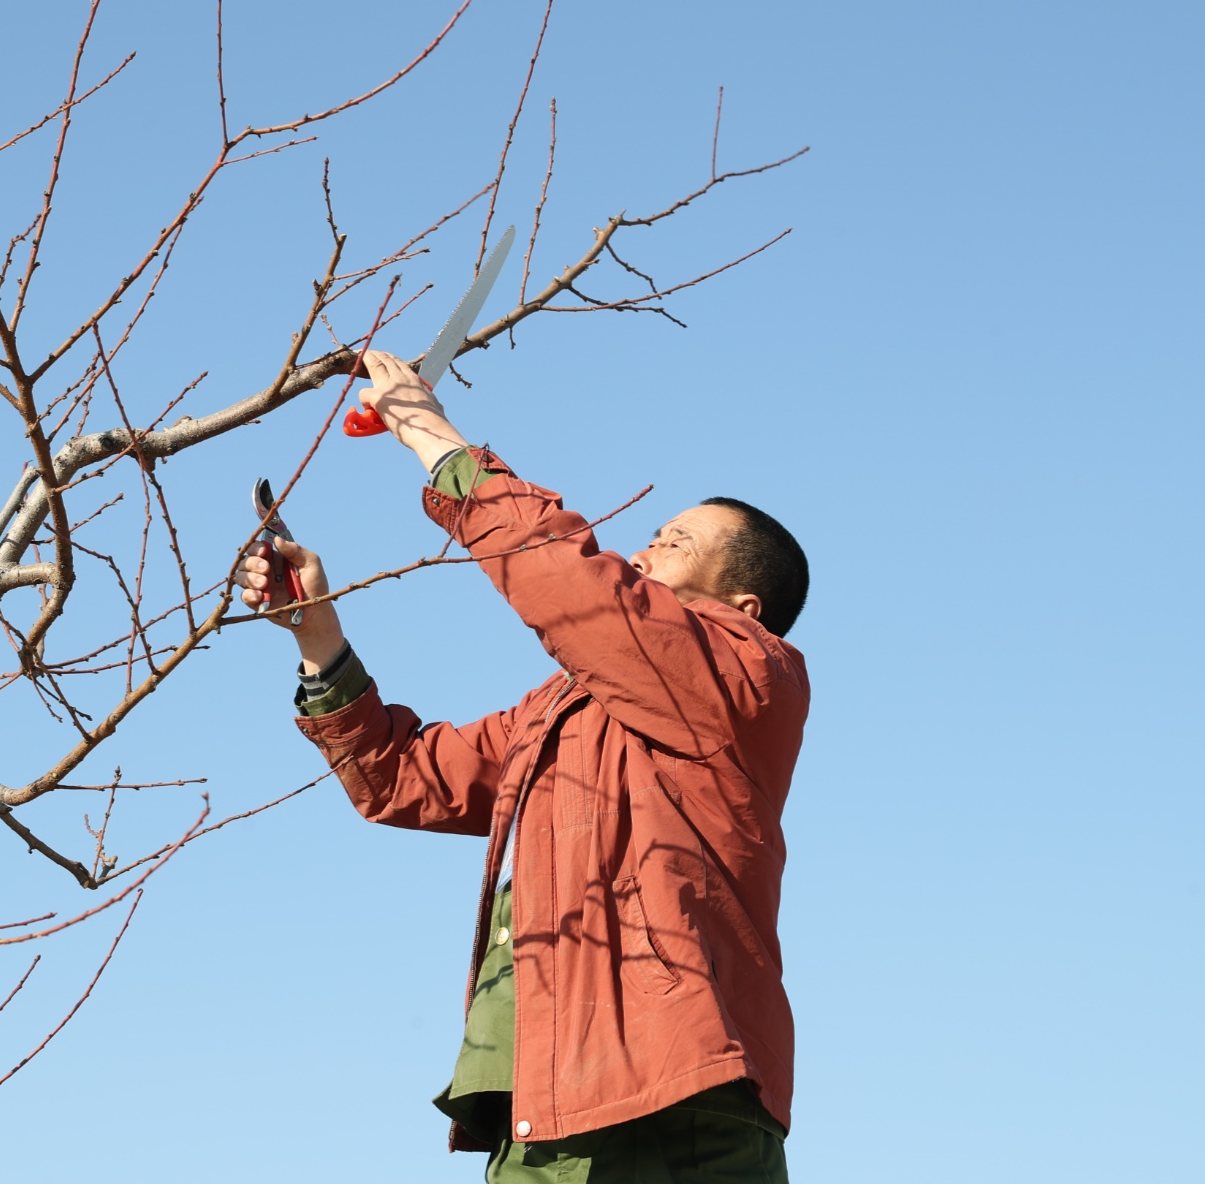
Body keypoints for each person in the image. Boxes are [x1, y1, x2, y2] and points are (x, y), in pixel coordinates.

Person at [234, 350, 812, 1183]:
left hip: (675, 1092)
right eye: (647, 537)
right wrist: (318, 636)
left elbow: (574, 586)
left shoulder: (749, 673)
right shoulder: (565, 710)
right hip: (543, 1106)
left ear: (742, 606)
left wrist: (435, 439)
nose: (641, 554)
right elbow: (404, 776)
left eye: (673, 543)